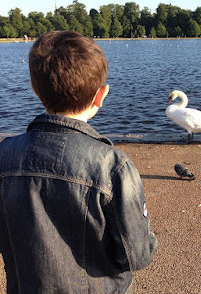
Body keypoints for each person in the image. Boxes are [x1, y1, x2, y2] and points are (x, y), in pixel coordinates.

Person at [0, 31, 157, 293]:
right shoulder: (112, 166)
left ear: (34, 88)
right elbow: (136, 255)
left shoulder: (4, 156)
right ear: (101, 95)